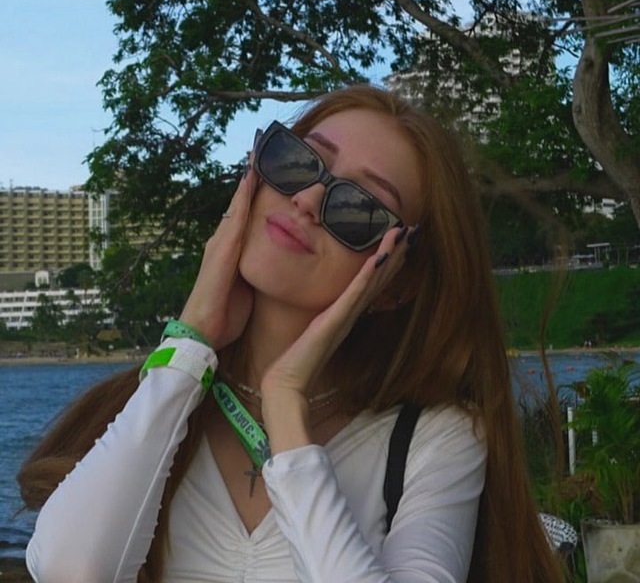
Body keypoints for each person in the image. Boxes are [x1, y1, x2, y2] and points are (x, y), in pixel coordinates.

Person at [18, 84, 563, 583]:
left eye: (357, 207)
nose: (307, 201)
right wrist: (189, 342)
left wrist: (285, 403)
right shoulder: (160, 401)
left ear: (401, 279)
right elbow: (70, 571)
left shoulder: (433, 439)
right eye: (296, 162)